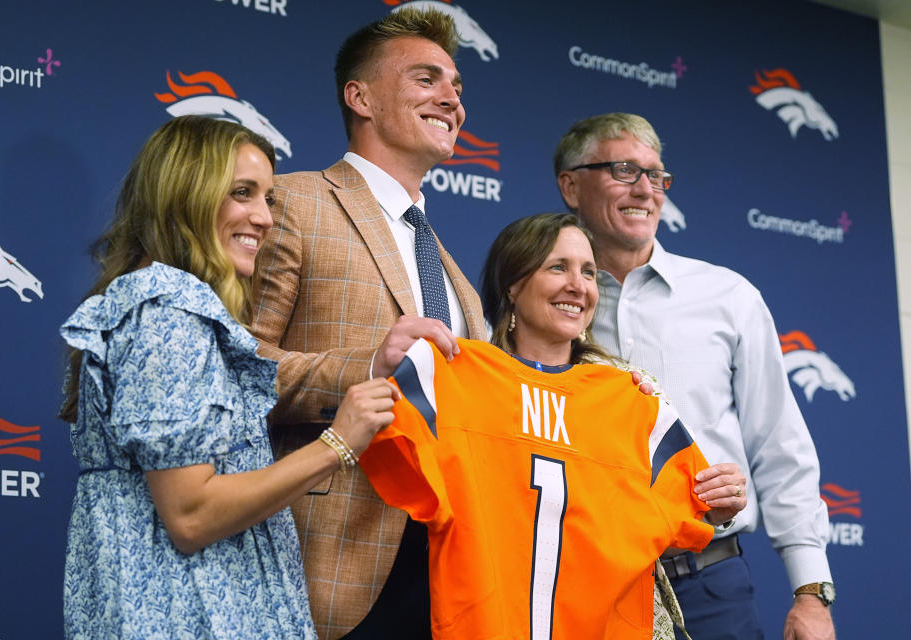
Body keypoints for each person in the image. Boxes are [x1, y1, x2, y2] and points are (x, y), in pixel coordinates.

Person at [58, 115, 398, 639]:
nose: (262, 217)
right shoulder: (167, 311)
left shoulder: (162, 304)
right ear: (186, 194)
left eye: (267, 198)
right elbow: (191, 515)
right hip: (181, 614)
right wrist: (338, 443)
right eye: (243, 193)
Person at [356, 212, 746, 639]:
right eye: (557, 267)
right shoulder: (453, 380)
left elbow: (688, 513)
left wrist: (715, 500)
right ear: (514, 284)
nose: (578, 285)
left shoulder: (634, 400)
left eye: (589, 272)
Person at [249, 8, 486, 639]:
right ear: (361, 98)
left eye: (457, 86)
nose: (452, 99)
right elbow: (230, 371)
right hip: (331, 560)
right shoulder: (292, 202)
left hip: (450, 567)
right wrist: (366, 368)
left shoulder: (448, 266)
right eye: (426, 79)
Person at [554, 113, 834, 639]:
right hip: (582, 589)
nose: (646, 190)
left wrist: (811, 593)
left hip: (709, 587)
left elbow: (780, 445)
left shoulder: (728, 296)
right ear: (571, 185)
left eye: (656, 176)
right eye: (622, 171)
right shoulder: (539, 301)